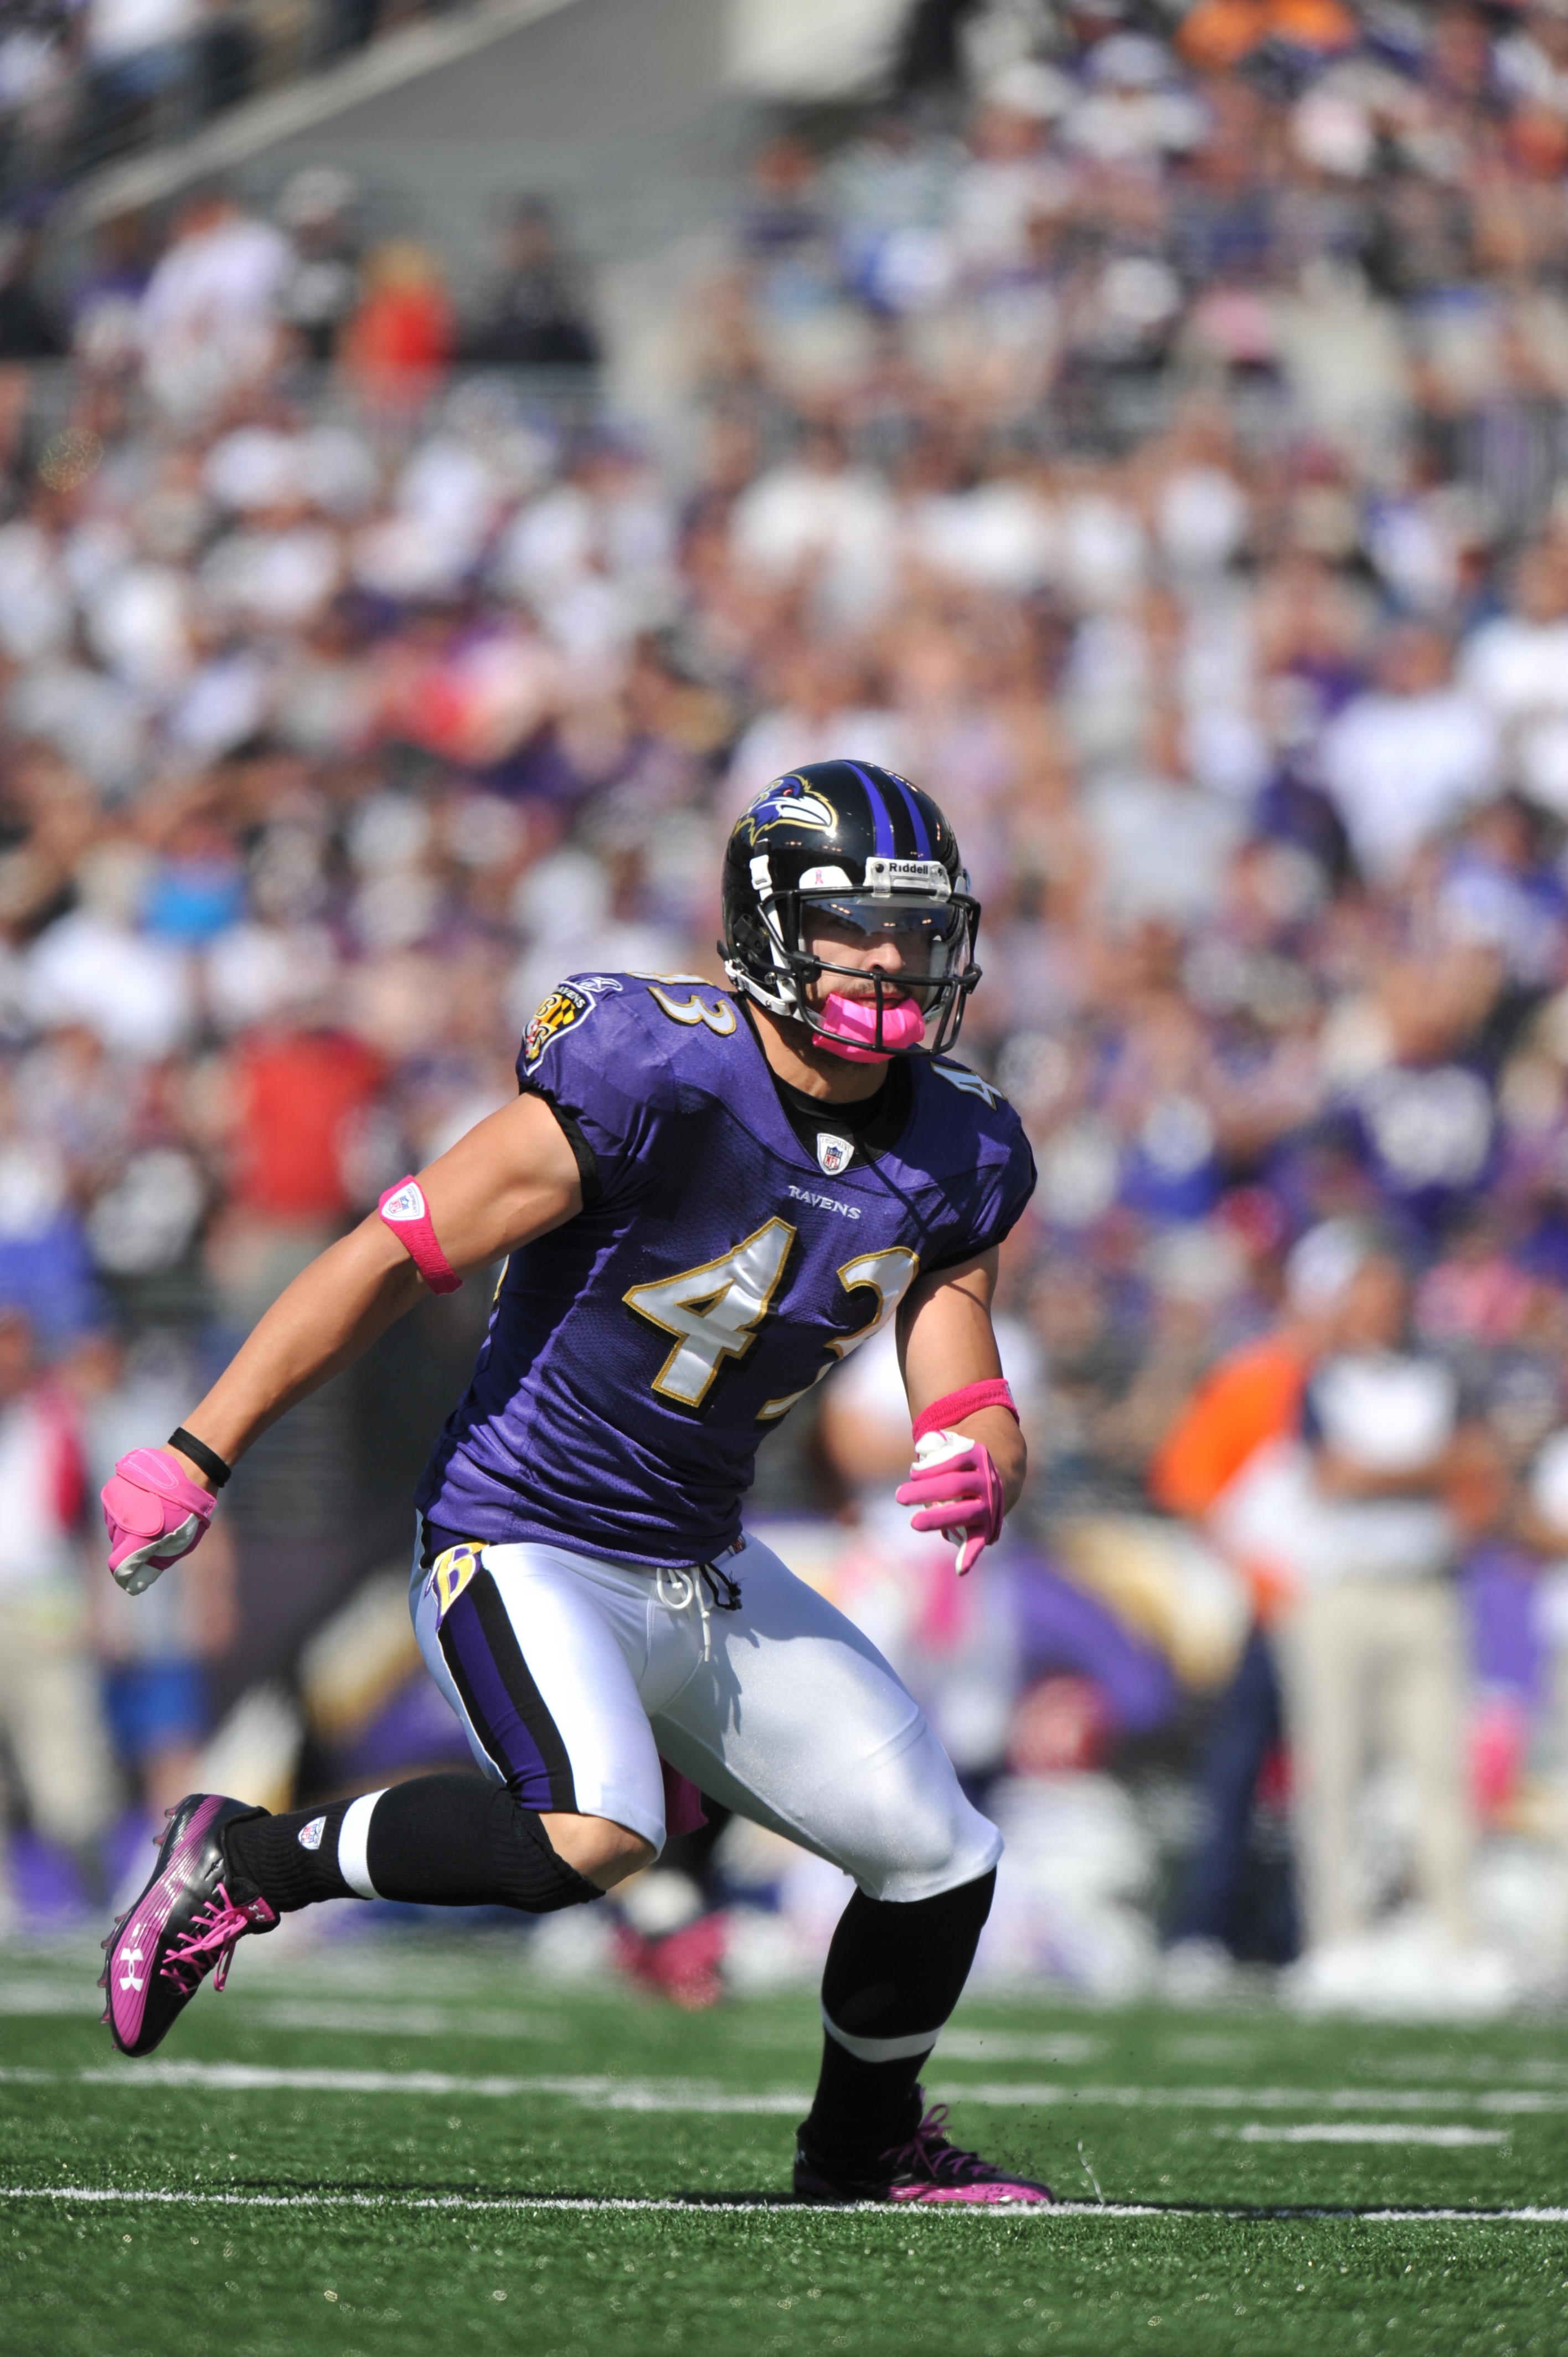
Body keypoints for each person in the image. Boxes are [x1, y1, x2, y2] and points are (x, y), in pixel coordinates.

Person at [99, 760, 1054, 2207]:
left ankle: (861, 2147)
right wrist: (198, 1447)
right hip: (520, 1533)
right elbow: (385, 1254)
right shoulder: (647, 1070)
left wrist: (984, 1444)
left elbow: (957, 1345)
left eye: (913, 930)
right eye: (855, 925)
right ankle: (242, 1857)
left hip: (703, 1559)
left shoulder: (962, 1142)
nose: (889, 960)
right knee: (597, 1835)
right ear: (767, 927)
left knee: (938, 1854)